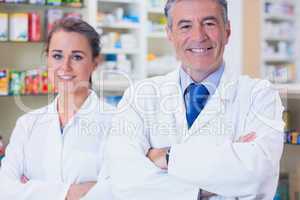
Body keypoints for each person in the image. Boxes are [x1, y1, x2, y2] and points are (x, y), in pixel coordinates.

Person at [106, 0, 284, 199]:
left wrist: (167, 157)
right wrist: (205, 190)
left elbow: (258, 177)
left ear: (227, 31)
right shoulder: (139, 96)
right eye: (185, 26)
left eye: (209, 23)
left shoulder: (260, 95)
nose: (199, 36)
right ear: (169, 34)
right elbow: (124, 181)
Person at [0, 17, 113, 200]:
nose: (65, 67)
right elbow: (5, 190)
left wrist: (31, 189)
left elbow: (113, 192)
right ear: (48, 60)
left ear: (94, 63)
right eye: (57, 56)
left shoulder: (115, 122)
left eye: (77, 57)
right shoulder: (27, 124)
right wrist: (70, 192)